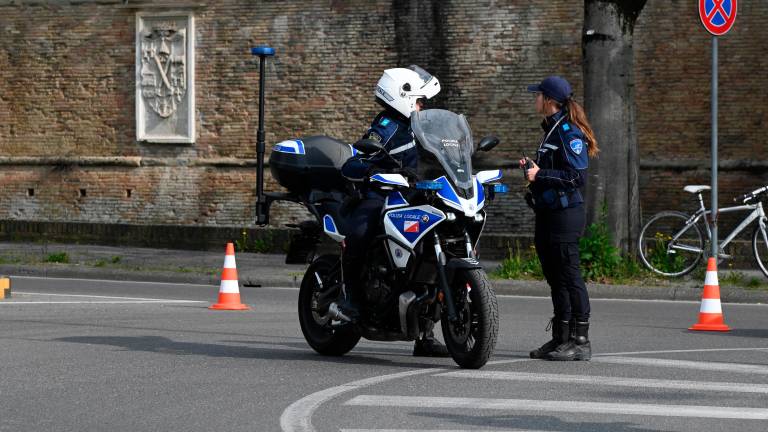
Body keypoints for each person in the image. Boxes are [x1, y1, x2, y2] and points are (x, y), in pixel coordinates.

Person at [340, 65, 449, 357]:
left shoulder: (420, 126)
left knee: (429, 257)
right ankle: (350, 296)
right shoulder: (386, 125)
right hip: (382, 194)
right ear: (401, 97)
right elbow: (361, 155)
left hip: (413, 194)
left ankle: (425, 333)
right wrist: (371, 161)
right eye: (418, 101)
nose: (423, 106)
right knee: (361, 231)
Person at [519, 76, 599, 361]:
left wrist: (540, 174)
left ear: (549, 100)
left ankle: (580, 341)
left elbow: (576, 177)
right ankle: (560, 338)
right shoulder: (551, 130)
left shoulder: (568, 132)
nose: (535, 100)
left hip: (566, 216)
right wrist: (535, 173)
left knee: (570, 276)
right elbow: (555, 171)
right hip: (549, 214)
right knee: (555, 279)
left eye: (538, 95)